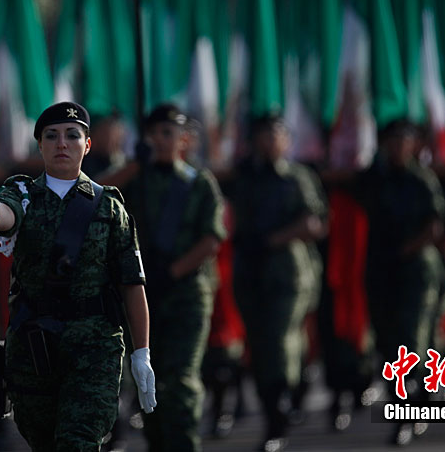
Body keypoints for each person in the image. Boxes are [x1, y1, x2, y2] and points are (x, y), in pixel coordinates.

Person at [0, 101, 155, 451]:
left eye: (72, 136)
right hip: (35, 349)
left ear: (87, 145)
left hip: (94, 349)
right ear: (39, 145)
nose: (62, 143)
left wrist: (141, 354)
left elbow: (132, 284)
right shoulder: (23, 194)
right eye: (52, 136)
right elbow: (9, 214)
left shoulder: (109, 206)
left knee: (78, 442)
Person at [118, 103, 226, 452]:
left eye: (167, 133)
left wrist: (172, 272)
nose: (160, 140)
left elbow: (211, 239)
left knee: (179, 381)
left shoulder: (198, 183)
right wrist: (133, 166)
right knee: (147, 378)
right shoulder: (135, 179)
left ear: (184, 139)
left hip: (185, 295)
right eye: (153, 133)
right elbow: (94, 195)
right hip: (144, 297)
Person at [230, 114, 326, 452]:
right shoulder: (244, 178)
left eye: (276, 135)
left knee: (278, 338)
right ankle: (281, 396)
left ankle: (278, 411)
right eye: (264, 135)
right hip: (250, 274)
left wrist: (274, 240)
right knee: (260, 344)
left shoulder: (297, 177)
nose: (270, 141)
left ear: (287, 140)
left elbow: (314, 223)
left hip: (288, 274)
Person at [356, 119, 445, 446]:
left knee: (410, 343)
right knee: (386, 343)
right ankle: (413, 401)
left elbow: (436, 225)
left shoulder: (421, 179)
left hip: (416, 271)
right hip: (382, 271)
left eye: (403, 140)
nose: (397, 147)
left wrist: (406, 250)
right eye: (391, 140)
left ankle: (407, 414)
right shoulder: (374, 178)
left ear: (414, 145)